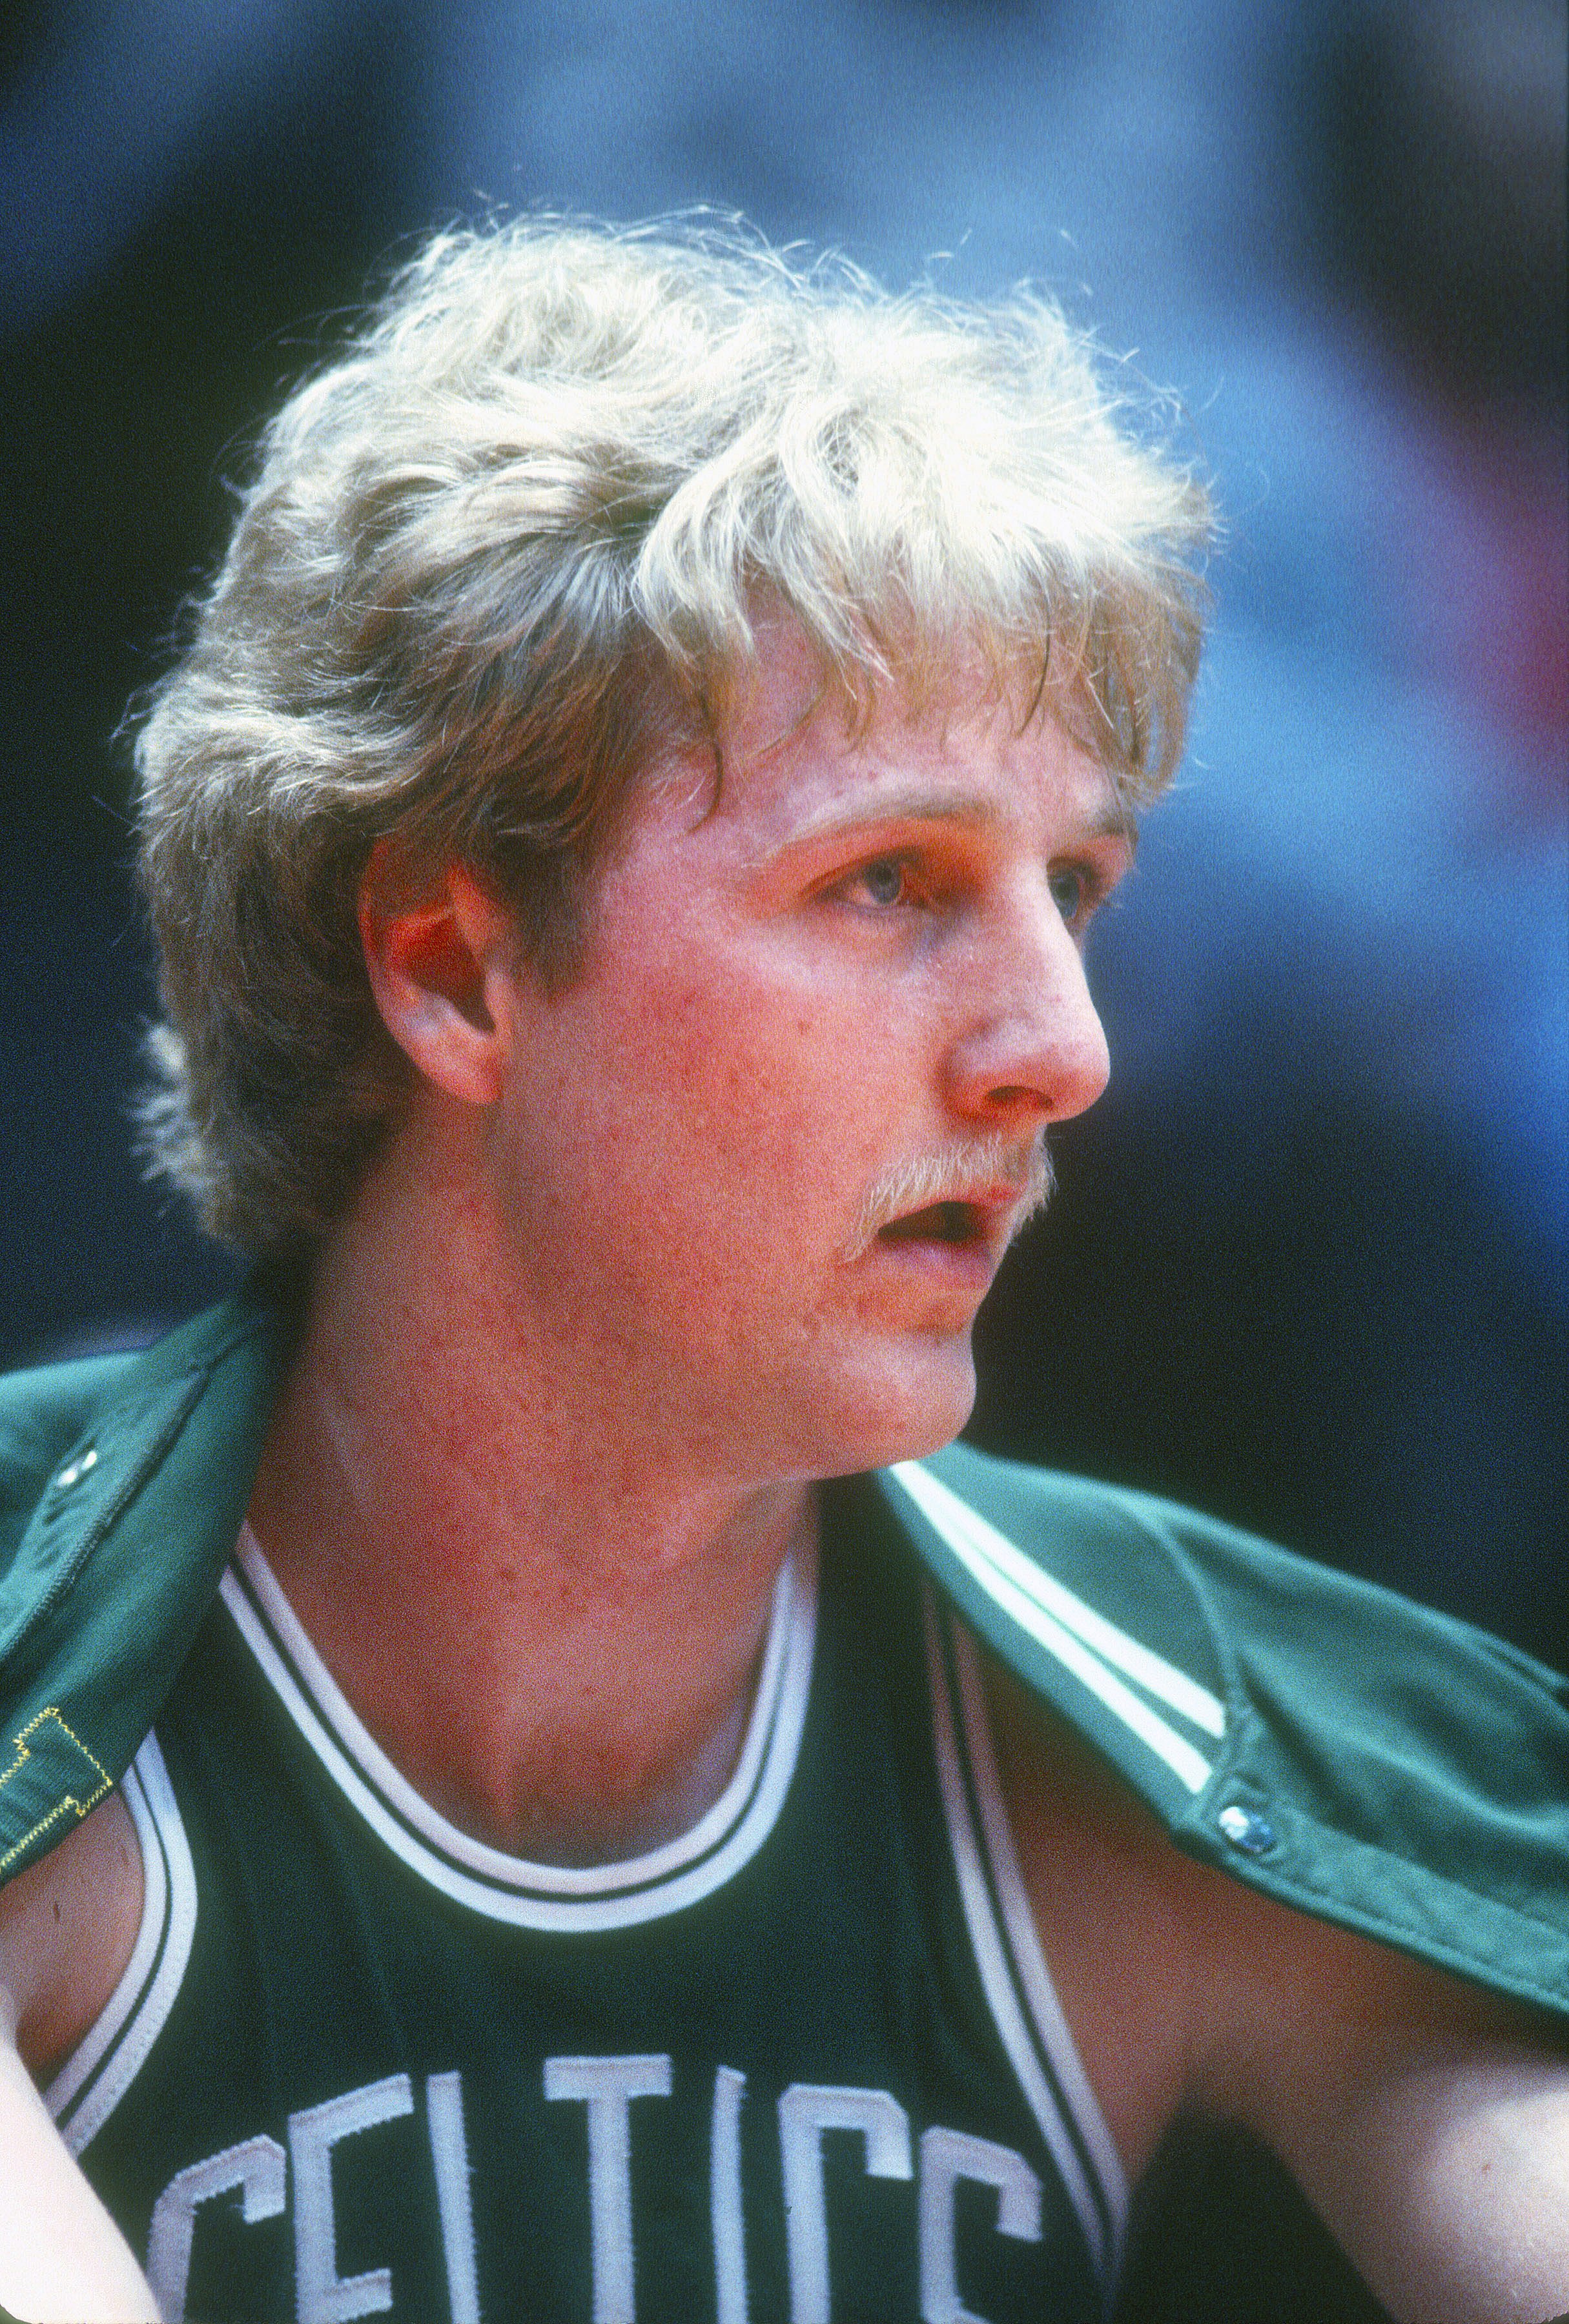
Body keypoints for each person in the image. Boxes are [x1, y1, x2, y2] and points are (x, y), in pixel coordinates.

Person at [0, 218, 1563, 2324]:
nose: (1066, 1047)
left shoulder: (1205, 1780)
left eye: (1075, 886)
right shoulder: (49, 1709)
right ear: (451, 965)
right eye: (892, 879)